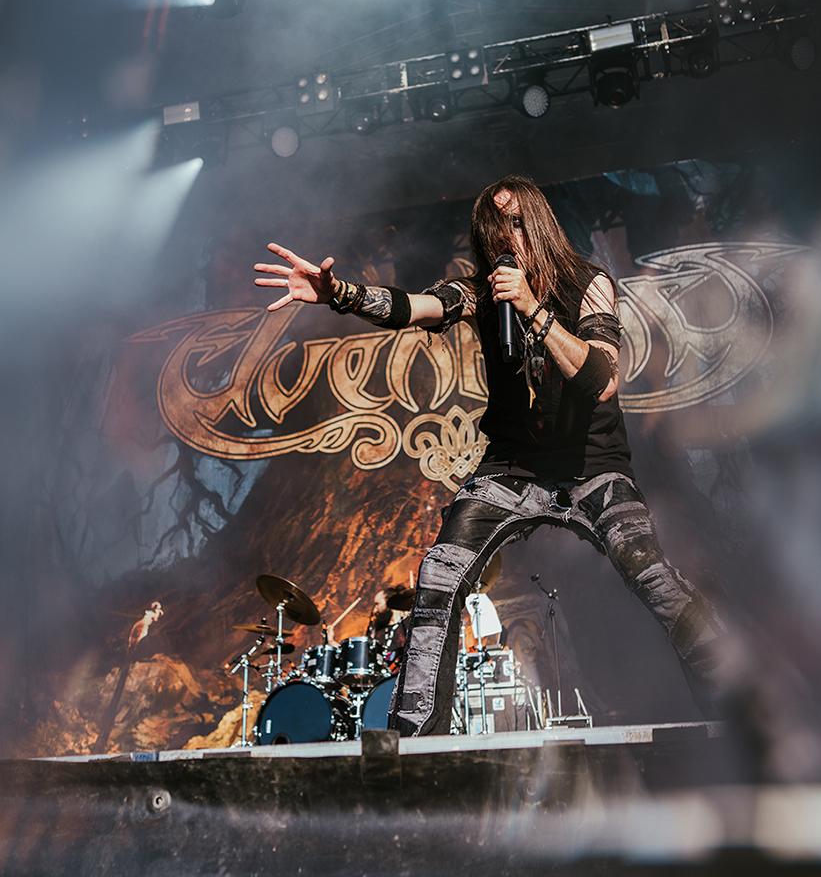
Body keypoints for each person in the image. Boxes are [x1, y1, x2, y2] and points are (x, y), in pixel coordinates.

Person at [253, 174, 728, 736]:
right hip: (511, 468)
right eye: (493, 229)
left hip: (591, 466)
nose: (506, 236)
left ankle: (735, 696)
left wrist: (533, 309)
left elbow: (602, 379)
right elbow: (413, 307)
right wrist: (338, 294)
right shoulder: (482, 293)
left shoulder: (589, 283)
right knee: (440, 573)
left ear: (539, 223)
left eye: (516, 222)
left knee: (650, 573)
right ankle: (415, 733)